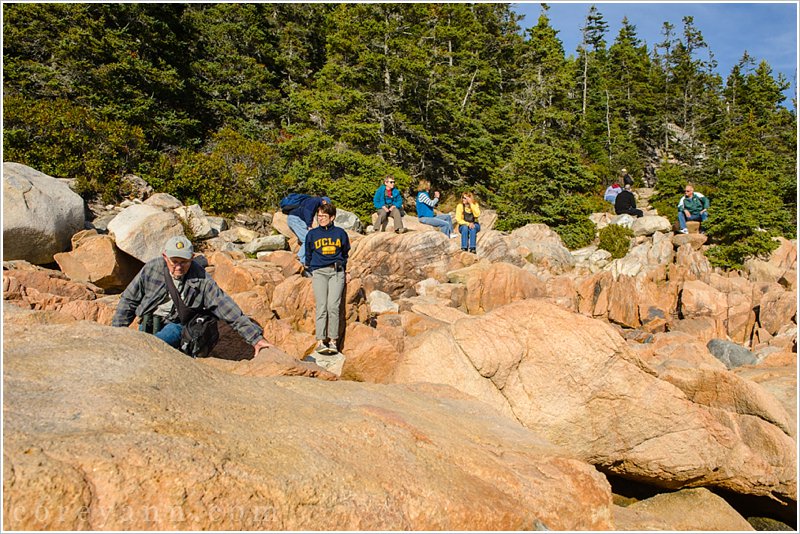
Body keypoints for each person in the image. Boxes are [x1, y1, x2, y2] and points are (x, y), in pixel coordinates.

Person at [112, 236, 271, 357]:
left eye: (184, 262)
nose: (179, 267)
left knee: (152, 347)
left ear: (192, 258)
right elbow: (129, 300)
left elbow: (226, 307)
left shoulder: (201, 278)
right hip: (149, 321)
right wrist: (115, 334)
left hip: (177, 325)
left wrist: (255, 338)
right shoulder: (152, 268)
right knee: (143, 346)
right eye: (174, 261)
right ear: (165, 256)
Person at [304, 202, 351, 355]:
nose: (321, 219)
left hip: (336, 271)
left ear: (332, 217)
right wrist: (312, 268)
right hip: (319, 272)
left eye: (324, 216)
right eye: (319, 216)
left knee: (333, 306)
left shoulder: (340, 233)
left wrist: (345, 270)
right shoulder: (312, 234)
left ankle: (333, 341)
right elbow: (308, 254)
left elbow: (345, 253)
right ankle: (320, 340)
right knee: (322, 306)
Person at [286, 195, 330, 265]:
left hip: (297, 219)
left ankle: (304, 260)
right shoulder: (315, 201)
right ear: (324, 201)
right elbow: (307, 212)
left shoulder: (314, 202)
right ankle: (299, 260)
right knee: (307, 238)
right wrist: (309, 226)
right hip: (296, 219)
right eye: (326, 205)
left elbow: (308, 213)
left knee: (309, 238)